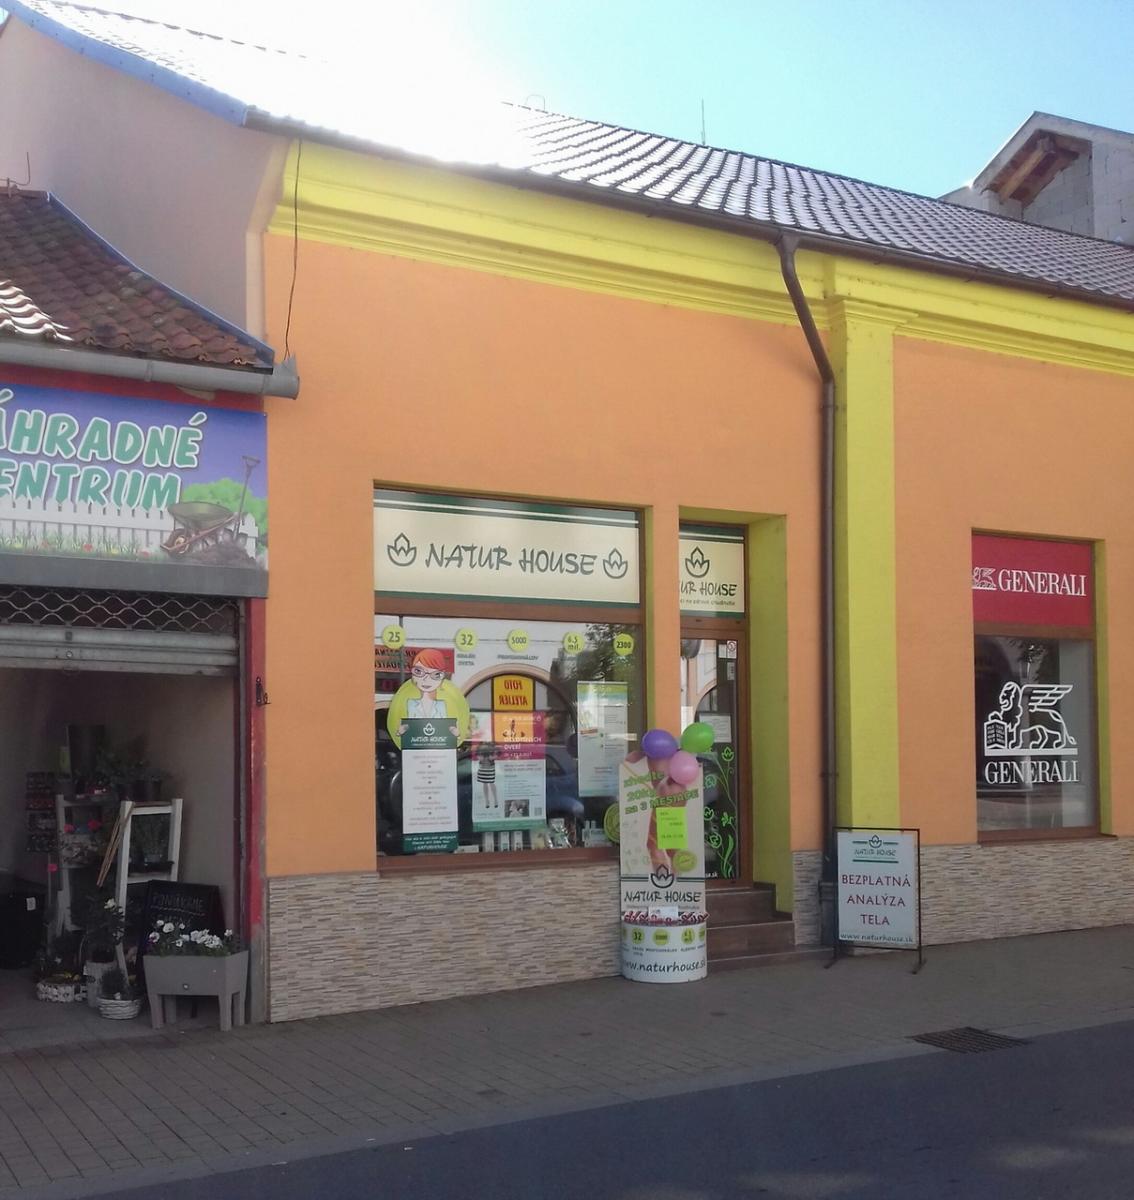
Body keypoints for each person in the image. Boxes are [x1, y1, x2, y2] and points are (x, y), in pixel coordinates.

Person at [477, 743, 498, 811]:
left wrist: (492, 757)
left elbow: (496, 755)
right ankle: (487, 801)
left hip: (490, 768)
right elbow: (478, 757)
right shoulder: (480, 747)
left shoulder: (491, 747)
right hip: (483, 768)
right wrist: (481, 757)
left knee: (491, 783)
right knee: (485, 783)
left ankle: (495, 799)